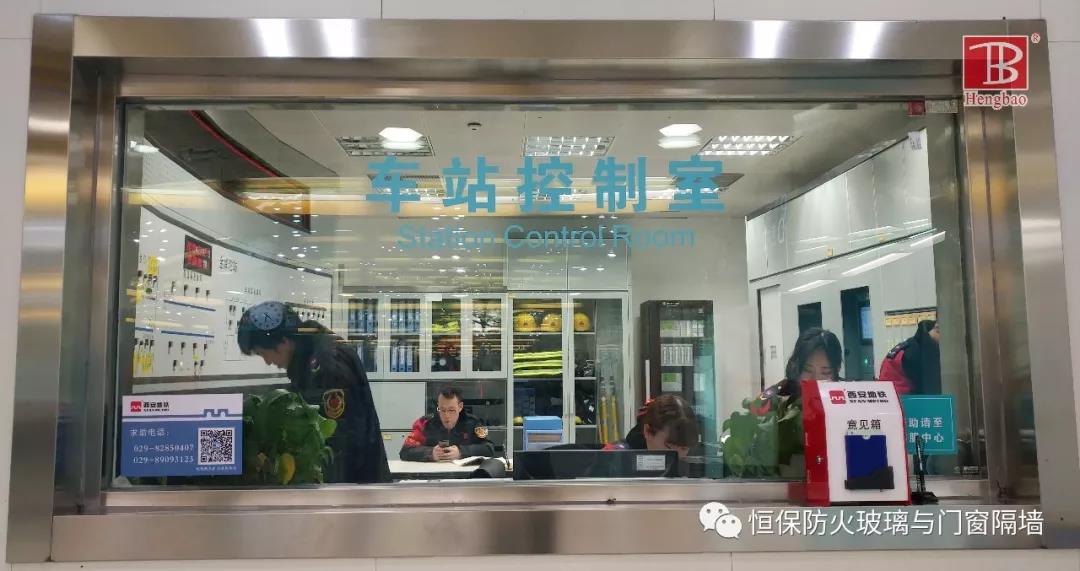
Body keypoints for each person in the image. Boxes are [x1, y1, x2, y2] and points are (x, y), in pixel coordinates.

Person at [237, 301, 391, 484]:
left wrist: (324, 491)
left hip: (351, 487)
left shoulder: (326, 365)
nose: (268, 362)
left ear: (284, 342)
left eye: (263, 353)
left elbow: (339, 441)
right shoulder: (310, 358)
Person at [751, 327, 843, 411]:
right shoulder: (786, 386)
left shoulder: (846, 392)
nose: (816, 380)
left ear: (837, 370)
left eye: (826, 372)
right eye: (807, 370)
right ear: (797, 366)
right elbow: (757, 403)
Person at [400, 386, 495, 462]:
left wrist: (461, 452)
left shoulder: (474, 423)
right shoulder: (424, 423)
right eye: (442, 410)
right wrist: (430, 453)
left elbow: (489, 448)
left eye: (451, 410)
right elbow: (405, 450)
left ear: (460, 407)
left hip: (464, 475)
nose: (446, 415)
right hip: (433, 474)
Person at [603, 393, 699, 458]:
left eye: (684, 448)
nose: (678, 456)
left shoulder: (693, 465)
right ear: (647, 431)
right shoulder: (612, 457)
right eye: (670, 447)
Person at [878, 319, 941, 395]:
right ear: (937, 329)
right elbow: (929, 388)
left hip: (888, 392)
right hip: (896, 395)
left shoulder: (915, 344)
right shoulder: (917, 351)